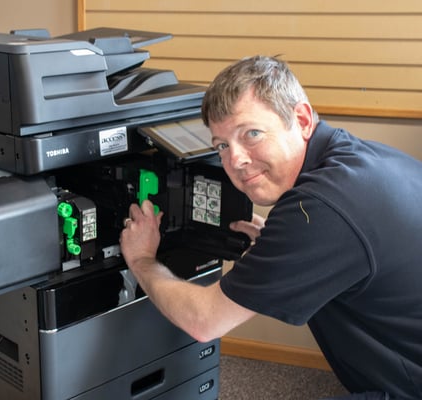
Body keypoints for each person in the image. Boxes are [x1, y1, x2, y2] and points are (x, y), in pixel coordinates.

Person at [119, 55, 422, 400]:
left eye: (251, 133)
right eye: (222, 145)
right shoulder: (355, 160)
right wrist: (284, 248)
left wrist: (142, 258)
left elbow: (204, 321)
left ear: (302, 120)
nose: (235, 160)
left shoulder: (320, 209)